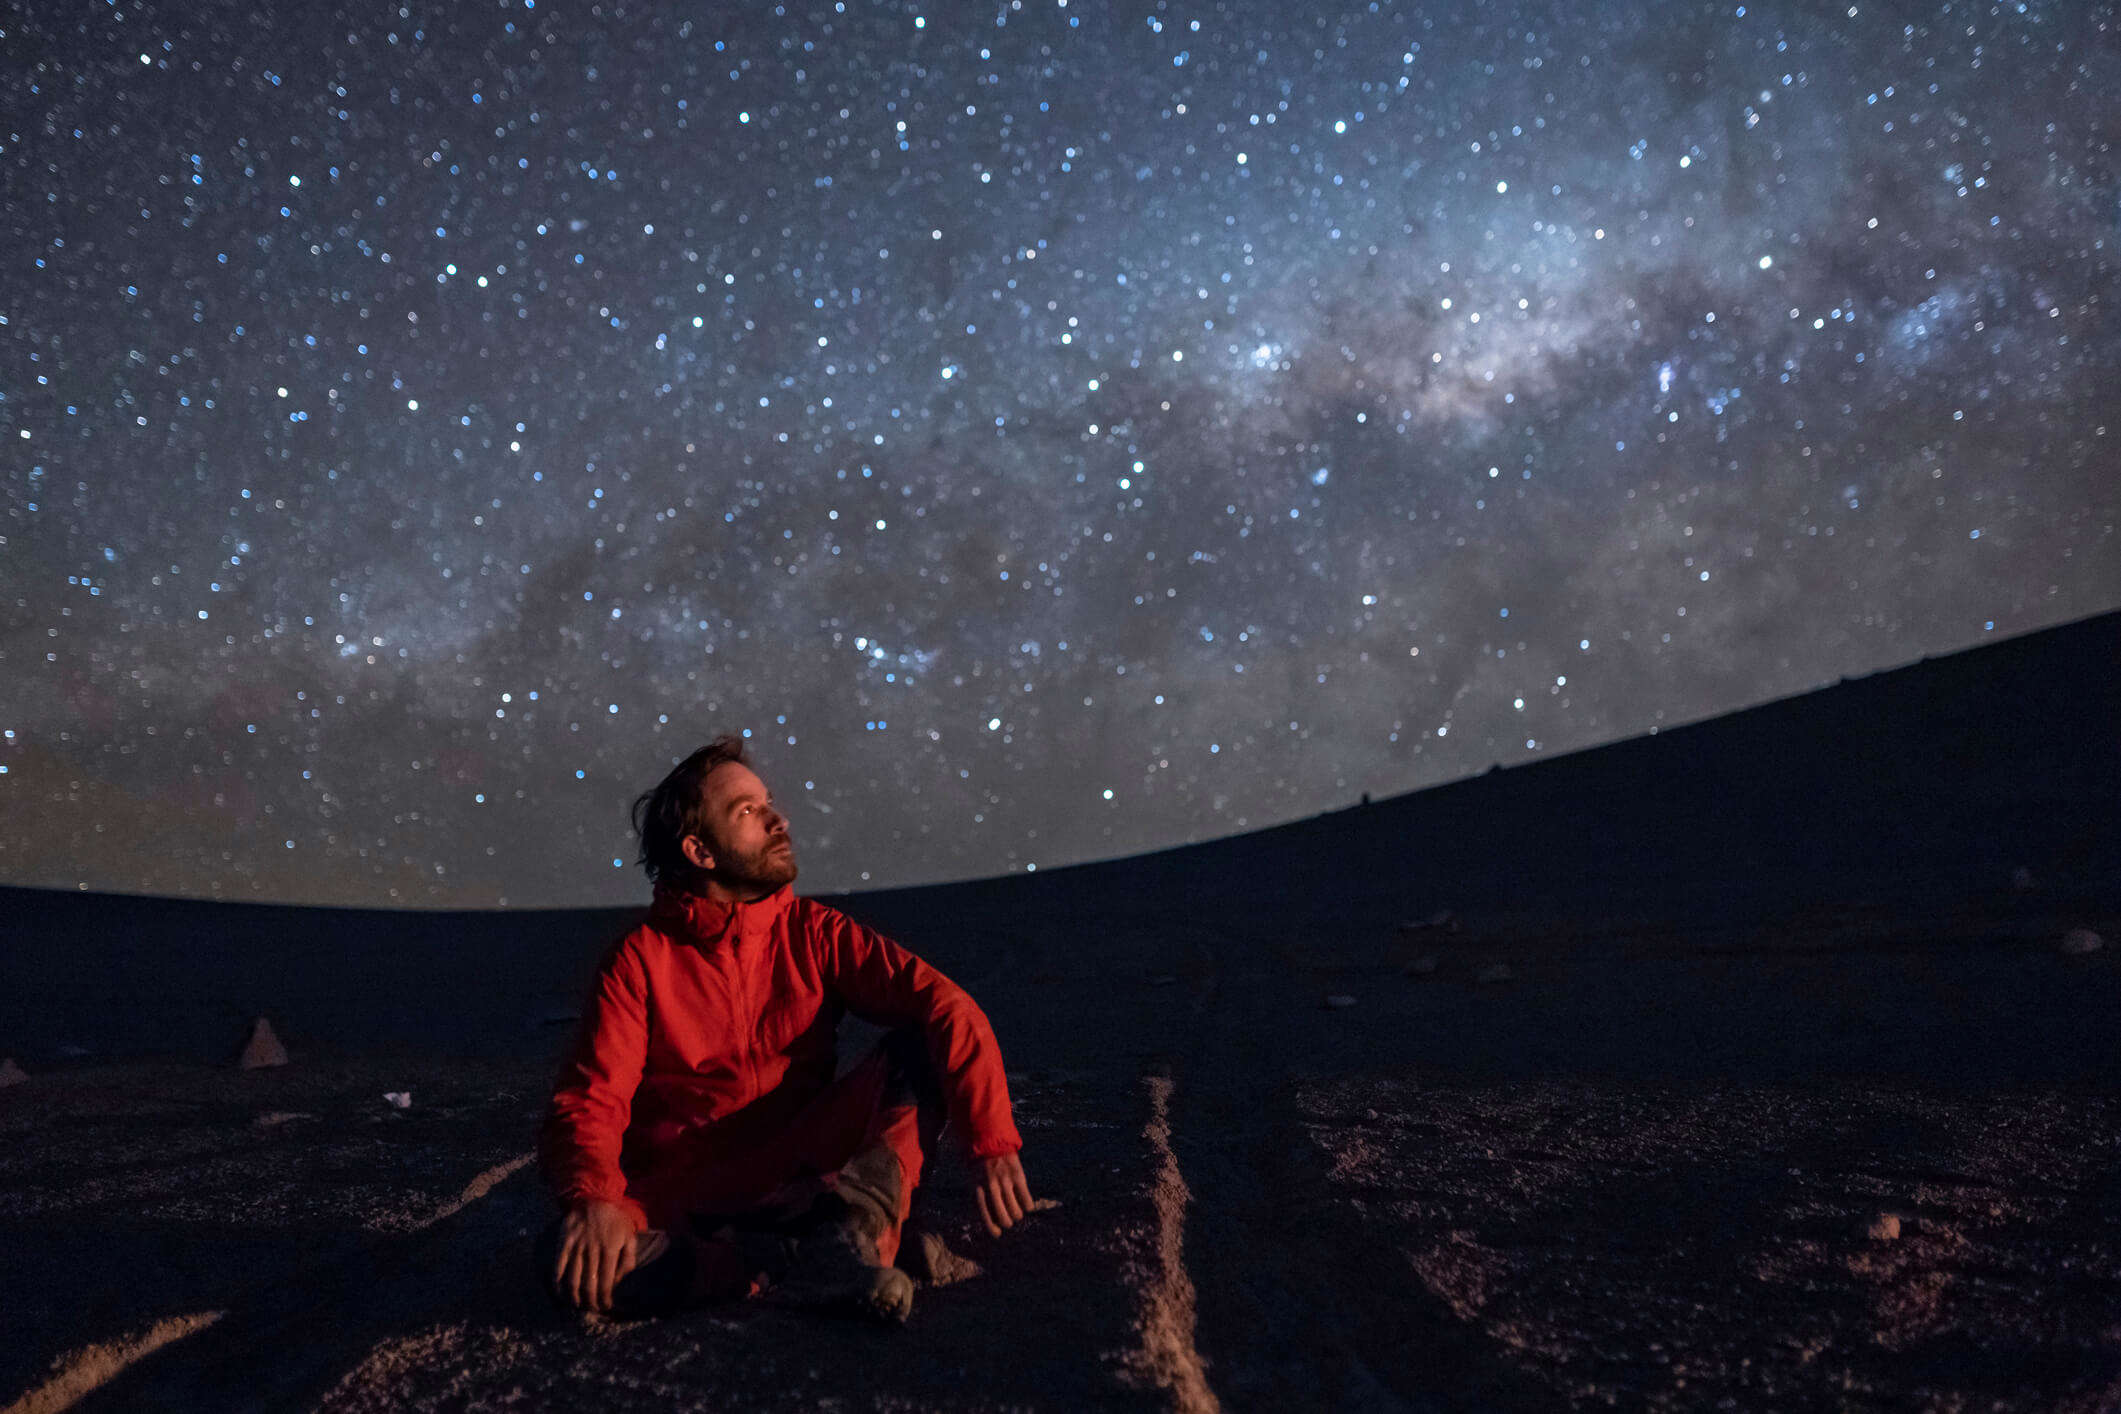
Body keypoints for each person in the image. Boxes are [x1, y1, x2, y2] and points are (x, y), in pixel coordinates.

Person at [539, 735, 1034, 1323]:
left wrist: (991, 1142)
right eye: (747, 811)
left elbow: (946, 1004)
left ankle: (845, 1235)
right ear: (700, 851)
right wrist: (595, 1200)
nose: (779, 819)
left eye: (767, 802)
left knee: (919, 1046)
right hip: (695, 1194)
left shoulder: (815, 933)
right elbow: (593, 1097)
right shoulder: (640, 959)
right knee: (570, 1264)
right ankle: (794, 1258)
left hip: (808, 1165)